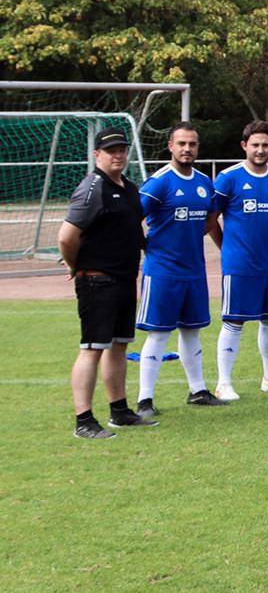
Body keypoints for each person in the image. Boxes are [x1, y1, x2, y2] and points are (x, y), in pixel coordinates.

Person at [61, 127, 153, 438]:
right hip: (98, 280)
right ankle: (83, 421)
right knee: (92, 348)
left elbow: (133, 229)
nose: (117, 154)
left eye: (122, 149)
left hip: (125, 278)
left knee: (118, 346)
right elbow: (66, 236)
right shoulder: (92, 188)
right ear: (96, 154)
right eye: (110, 150)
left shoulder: (129, 187)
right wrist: (78, 266)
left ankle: (119, 411)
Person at [135, 123, 226, 415]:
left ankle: (197, 390)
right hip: (162, 270)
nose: (187, 149)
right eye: (182, 143)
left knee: (191, 331)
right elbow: (132, 216)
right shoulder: (159, 182)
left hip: (194, 270)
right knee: (159, 334)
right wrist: (147, 244)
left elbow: (211, 219)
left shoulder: (204, 182)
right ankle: (144, 399)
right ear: (170, 147)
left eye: (193, 144)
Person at [208, 120, 268, 399]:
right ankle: (224, 383)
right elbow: (212, 220)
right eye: (255, 145)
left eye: (265, 145)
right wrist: (227, 247)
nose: (260, 150)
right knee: (234, 321)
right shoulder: (228, 178)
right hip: (239, 264)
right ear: (244, 146)